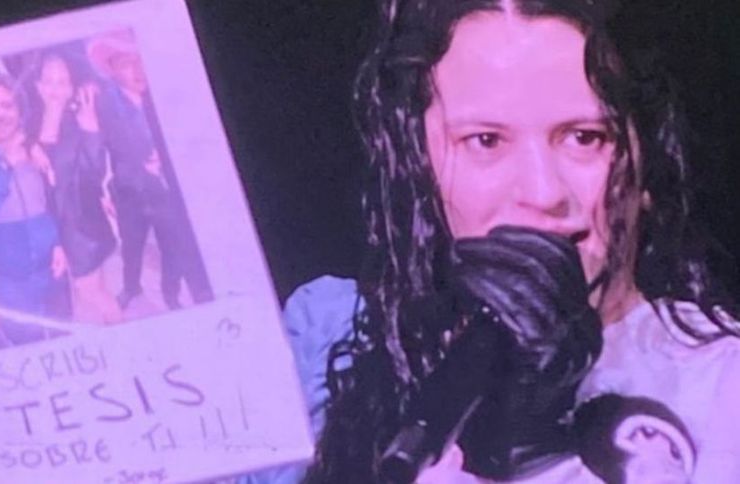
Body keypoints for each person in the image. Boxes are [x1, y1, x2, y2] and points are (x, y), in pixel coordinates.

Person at [243, 0, 740, 482]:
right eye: (485, 141)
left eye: (585, 137)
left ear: (646, 152)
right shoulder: (334, 344)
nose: (543, 193)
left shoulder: (721, 383)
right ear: (418, 165)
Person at [87, 31, 204, 311]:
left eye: (141, 60)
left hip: (165, 193)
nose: (138, 70)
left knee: (172, 246)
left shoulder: (163, 96)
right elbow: (104, 146)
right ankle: (131, 287)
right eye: (127, 63)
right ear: (112, 70)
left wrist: (167, 157)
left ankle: (171, 293)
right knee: (132, 247)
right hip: (129, 193)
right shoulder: (104, 103)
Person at [0, 73, 68, 349]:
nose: (1, 114)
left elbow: (53, 201)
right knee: (27, 345)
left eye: (8, 105)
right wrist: (4, 165)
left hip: (53, 269)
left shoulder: (34, 148)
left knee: (64, 337)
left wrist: (59, 243)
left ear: (20, 110)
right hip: (11, 283)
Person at [31, 52, 122, 323]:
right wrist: (31, 145)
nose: (55, 88)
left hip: (80, 229)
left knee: (91, 292)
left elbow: (94, 173)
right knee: (94, 292)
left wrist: (92, 131)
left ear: (71, 88)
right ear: (39, 87)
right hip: (57, 230)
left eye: (62, 81)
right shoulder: (29, 127)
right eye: (49, 81)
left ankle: (123, 335)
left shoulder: (78, 122)